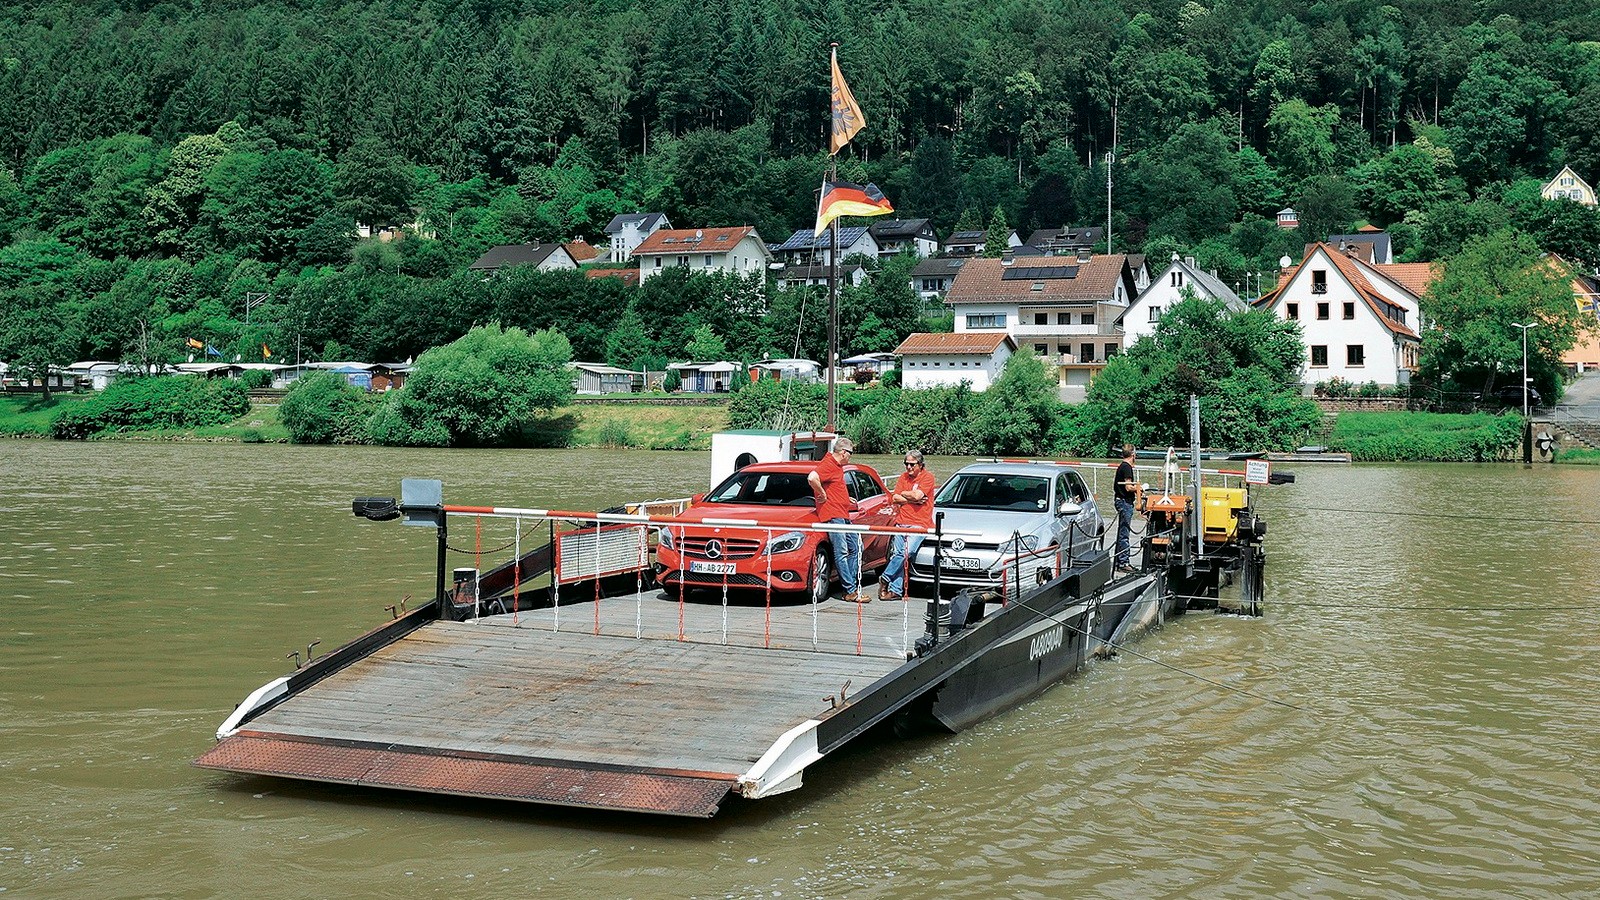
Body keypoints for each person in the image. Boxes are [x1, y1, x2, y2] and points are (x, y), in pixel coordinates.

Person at [808, 436, 863, 601]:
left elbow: (833, 486)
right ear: (844, 453)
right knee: (842, 551)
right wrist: (821, 493)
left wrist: (846, 499)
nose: (850, 457)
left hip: (842, 512)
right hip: (834, 515)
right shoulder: (829, 464)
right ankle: (850, 590)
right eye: (851, 454)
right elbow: (812, 477)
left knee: (856, 547)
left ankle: (850, 585)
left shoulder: (837, 466)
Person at [880, 450, 936, 600]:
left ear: (920, 464)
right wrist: (912, 497)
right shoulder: (903, 477)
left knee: (906, 553)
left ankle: (885, 577)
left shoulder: (928, 477)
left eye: (912, 464)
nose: (908, 467)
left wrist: (908, 495)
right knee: (899, 555)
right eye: (906, 464)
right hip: (901, 522)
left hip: (920, 524)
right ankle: (896, 590)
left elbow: (918, 495)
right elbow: (895, 498)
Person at [1113, 444, 1139, 573]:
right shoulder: (1127, 467)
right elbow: (1128, 487)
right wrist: (1139, 488)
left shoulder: (1121, 466)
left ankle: (1118, 561)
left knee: (1121, 532)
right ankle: (1124, 562)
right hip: (1125, 502)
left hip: (1119, 501)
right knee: (1124, 533)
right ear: (1133, 455)